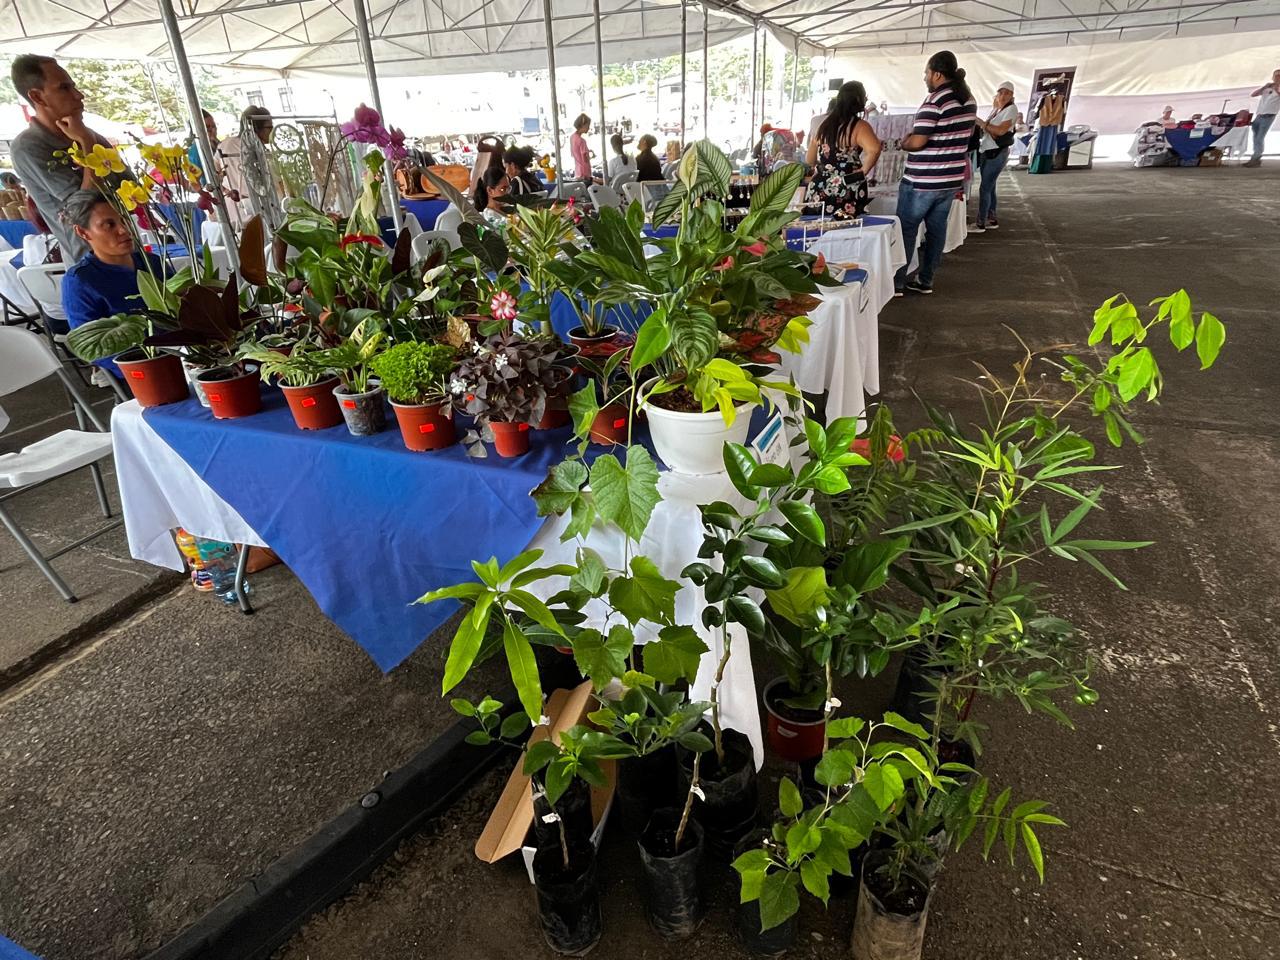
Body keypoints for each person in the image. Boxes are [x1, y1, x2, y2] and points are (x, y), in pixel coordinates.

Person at [8, 54, 126, 262]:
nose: (79, 95)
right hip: (90, 262)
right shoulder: (28, 147)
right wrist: (87, 144)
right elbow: (84, 210)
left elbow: (128, 183)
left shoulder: (88, 134)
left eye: (74, 86)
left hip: (126, 251)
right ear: (37, 97)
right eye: (64, 88)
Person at [894, 50, 977, 296]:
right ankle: (926, 280)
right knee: (936, 230)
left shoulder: (936, 101)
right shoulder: (968, 100)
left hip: (922, 180)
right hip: (950, 180)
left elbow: (918, 141)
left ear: (937, 74)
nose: (925, 78)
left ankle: (897, 283)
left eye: (926, 73)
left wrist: (904, 142)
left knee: (907, 230)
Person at [60, 190, 165, 379]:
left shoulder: (151, 263)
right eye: (109, 224)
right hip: (140, 373)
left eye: (124, 220)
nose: (124, 230)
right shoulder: (80, 281)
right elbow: (93, 347)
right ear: (83, 232)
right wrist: (149, 366)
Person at [805, 81, 881, 220]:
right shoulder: (859, 126)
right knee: (847, 232)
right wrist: (864, 170)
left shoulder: (824, 126)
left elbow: (809, 159)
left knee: (816, 232)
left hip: (820, 186)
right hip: (848, 185)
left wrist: (825, 168)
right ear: (858, 99)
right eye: (865, 96)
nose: (866, 99)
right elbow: (874, 149)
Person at [971, 81, 1018, 232]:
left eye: (1006, 93)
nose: (1003, 96)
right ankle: (992, 218)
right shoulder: (997, 109)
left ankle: (980, 222)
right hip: (988, 150)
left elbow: (1000, 131)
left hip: (996, 153)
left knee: (985, 188)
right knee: (990, 187)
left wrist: (982, 123)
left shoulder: (1011, 109)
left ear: (1011, 96)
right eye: (1001, 92)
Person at [1244, 69, 1279, 167]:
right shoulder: (1267, 87)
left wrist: (1276, 87)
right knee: (1255, 136)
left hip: (1269, 115)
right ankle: (1255, 157)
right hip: (1259, 114)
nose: (1277, 78)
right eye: (1276, 76)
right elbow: (1253, 94)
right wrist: (1264, 87)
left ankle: (1255, 158)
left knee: (1260, 137)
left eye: (1279, 76)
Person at [1030, 86, 1065, 175]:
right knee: (1041, 145)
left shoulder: (1062, 99)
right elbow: (1037, 111)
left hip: (1053, 124)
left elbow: (1064, 111)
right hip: (1044, 123)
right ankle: (1038, 167)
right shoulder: (1044, 98)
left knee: (1049, 146)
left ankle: (1045, 167)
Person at [187, 109, 219, 185]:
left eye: (214, 126)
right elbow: (196, 181)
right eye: (208, 128)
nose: (213, 130)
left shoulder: (218, 143)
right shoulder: (195, 151)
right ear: (198, 130)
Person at [570, 114, 593, 182]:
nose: (588, 128)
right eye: (587, 126)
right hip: (585, 173)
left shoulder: (572, 137)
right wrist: (590, 156)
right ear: (582, 125)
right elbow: (585, 159)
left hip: (578, 171)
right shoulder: (582, 141)